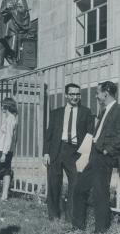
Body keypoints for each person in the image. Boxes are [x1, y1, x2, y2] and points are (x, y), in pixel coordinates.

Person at [72, 81, 120, 233]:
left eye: (98, 92)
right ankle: (78, 227)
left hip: (104, 157)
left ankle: (100, 229)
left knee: (100, 193)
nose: (96, 96)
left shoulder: (118, 110)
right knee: (79, 188)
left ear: (106, 92)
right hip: (94, 155)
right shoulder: (104, 110)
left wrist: (107, 150)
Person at [43, 83, 94, 222]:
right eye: (72, 94)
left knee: (76, 184)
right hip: (57, 150)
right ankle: (53, 216)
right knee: (53, 183)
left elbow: (90, 134)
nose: (75, 97)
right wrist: (46, 153)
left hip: (75, 152)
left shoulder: (86, 112)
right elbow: (49, 135)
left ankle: (71, 218)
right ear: (66, 95)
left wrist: (85, 155)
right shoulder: (56, 113)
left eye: (77, 94)